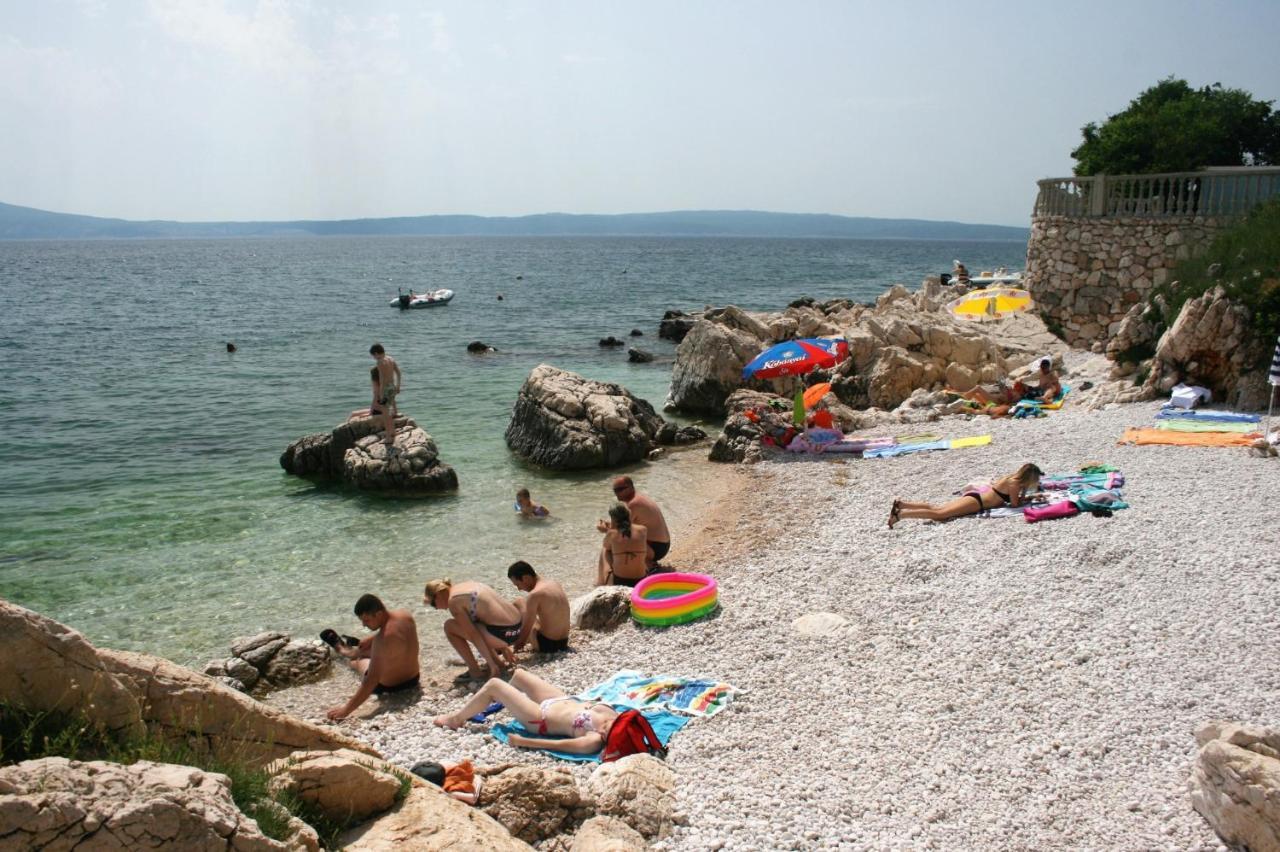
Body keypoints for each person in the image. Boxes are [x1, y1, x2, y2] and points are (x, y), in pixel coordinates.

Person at [433, 668, 620, 755]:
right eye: (607, 728)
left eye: (607, 737)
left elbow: (560, 745)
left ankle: (456, 719)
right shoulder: (614, 715)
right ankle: (496, 703)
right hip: (561, 699)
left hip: (540, 718)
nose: (603, 733)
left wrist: (524, 741)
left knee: (494, 685)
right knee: (519, 674)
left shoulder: (594, 740)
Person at [325, 594, 421, 720]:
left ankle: (344, 651)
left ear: (379, 614)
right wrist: (373, 639)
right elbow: (392, 634)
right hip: (414, 678)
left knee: (358, 660)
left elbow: (371, 680)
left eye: (366, 620)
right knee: (375, 651)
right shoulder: (405, 616)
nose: (363, 625)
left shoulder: (382, 640)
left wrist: (345, 710)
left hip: (390, 687)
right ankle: (353, 650)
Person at [888, 463, 1044, 529]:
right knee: (940, 514)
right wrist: (1026, 494)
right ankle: (901, 515)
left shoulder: (1011, 478)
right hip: (978, 503)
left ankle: (902, 504)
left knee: (937, 508)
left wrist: (1029, 495)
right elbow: (1015, 505)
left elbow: (1013, 499)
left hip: (976, 497)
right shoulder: (1015, 484)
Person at [423, 578, 521, 682]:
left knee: (449, 626)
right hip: (517, 629)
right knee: (473, 623)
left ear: (437, 595)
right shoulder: (468, 585)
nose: (437, 609)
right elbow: (492, 613)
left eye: (433, 605)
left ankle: (475, 671)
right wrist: (504, 648)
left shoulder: (454, 601)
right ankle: (498, 662)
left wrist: (491, 665)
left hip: (504, 635)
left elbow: (474, 635)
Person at [606, 476, 670, 568]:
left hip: (655, 549)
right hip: (662, 545)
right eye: (615, 490)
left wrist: (605, 529)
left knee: (617, 541)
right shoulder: (639, 497)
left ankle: (648, 565)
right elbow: (623, 526)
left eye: (620, 489)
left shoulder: (632, 504)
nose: (617, 494)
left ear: (631, 487)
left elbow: (616, 533)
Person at [507, 561, 571, 653]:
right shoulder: (554, 583)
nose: (519, 589)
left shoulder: (534, 595)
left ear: (525, 578)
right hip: (564, 641)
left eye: (518, 584)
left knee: (519, 602)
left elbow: (527, 628)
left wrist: (518, 645)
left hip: (547, 645)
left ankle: (504, 639)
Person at [595, 503, 649, 587]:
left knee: (605, 550)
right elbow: (626, 536)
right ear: (629, 513)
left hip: (620, 581)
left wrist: (607, 531)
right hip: (641, 579)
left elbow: (607, 545)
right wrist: (612, 529)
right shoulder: (643, 530)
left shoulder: (611, 534)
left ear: (613, 518)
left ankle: (600, 582)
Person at [369, 343, 402, 447]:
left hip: (386, 389)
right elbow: (399, 373)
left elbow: (382, 380)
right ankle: (393, 432)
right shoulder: (391, 359)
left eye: (373, 356)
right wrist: (398, 386)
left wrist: (382, 394)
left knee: (386, 414)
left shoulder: (380, 362)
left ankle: (388, 437)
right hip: (392, 387)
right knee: (389, 412)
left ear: (376, 353)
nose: (374, 358)